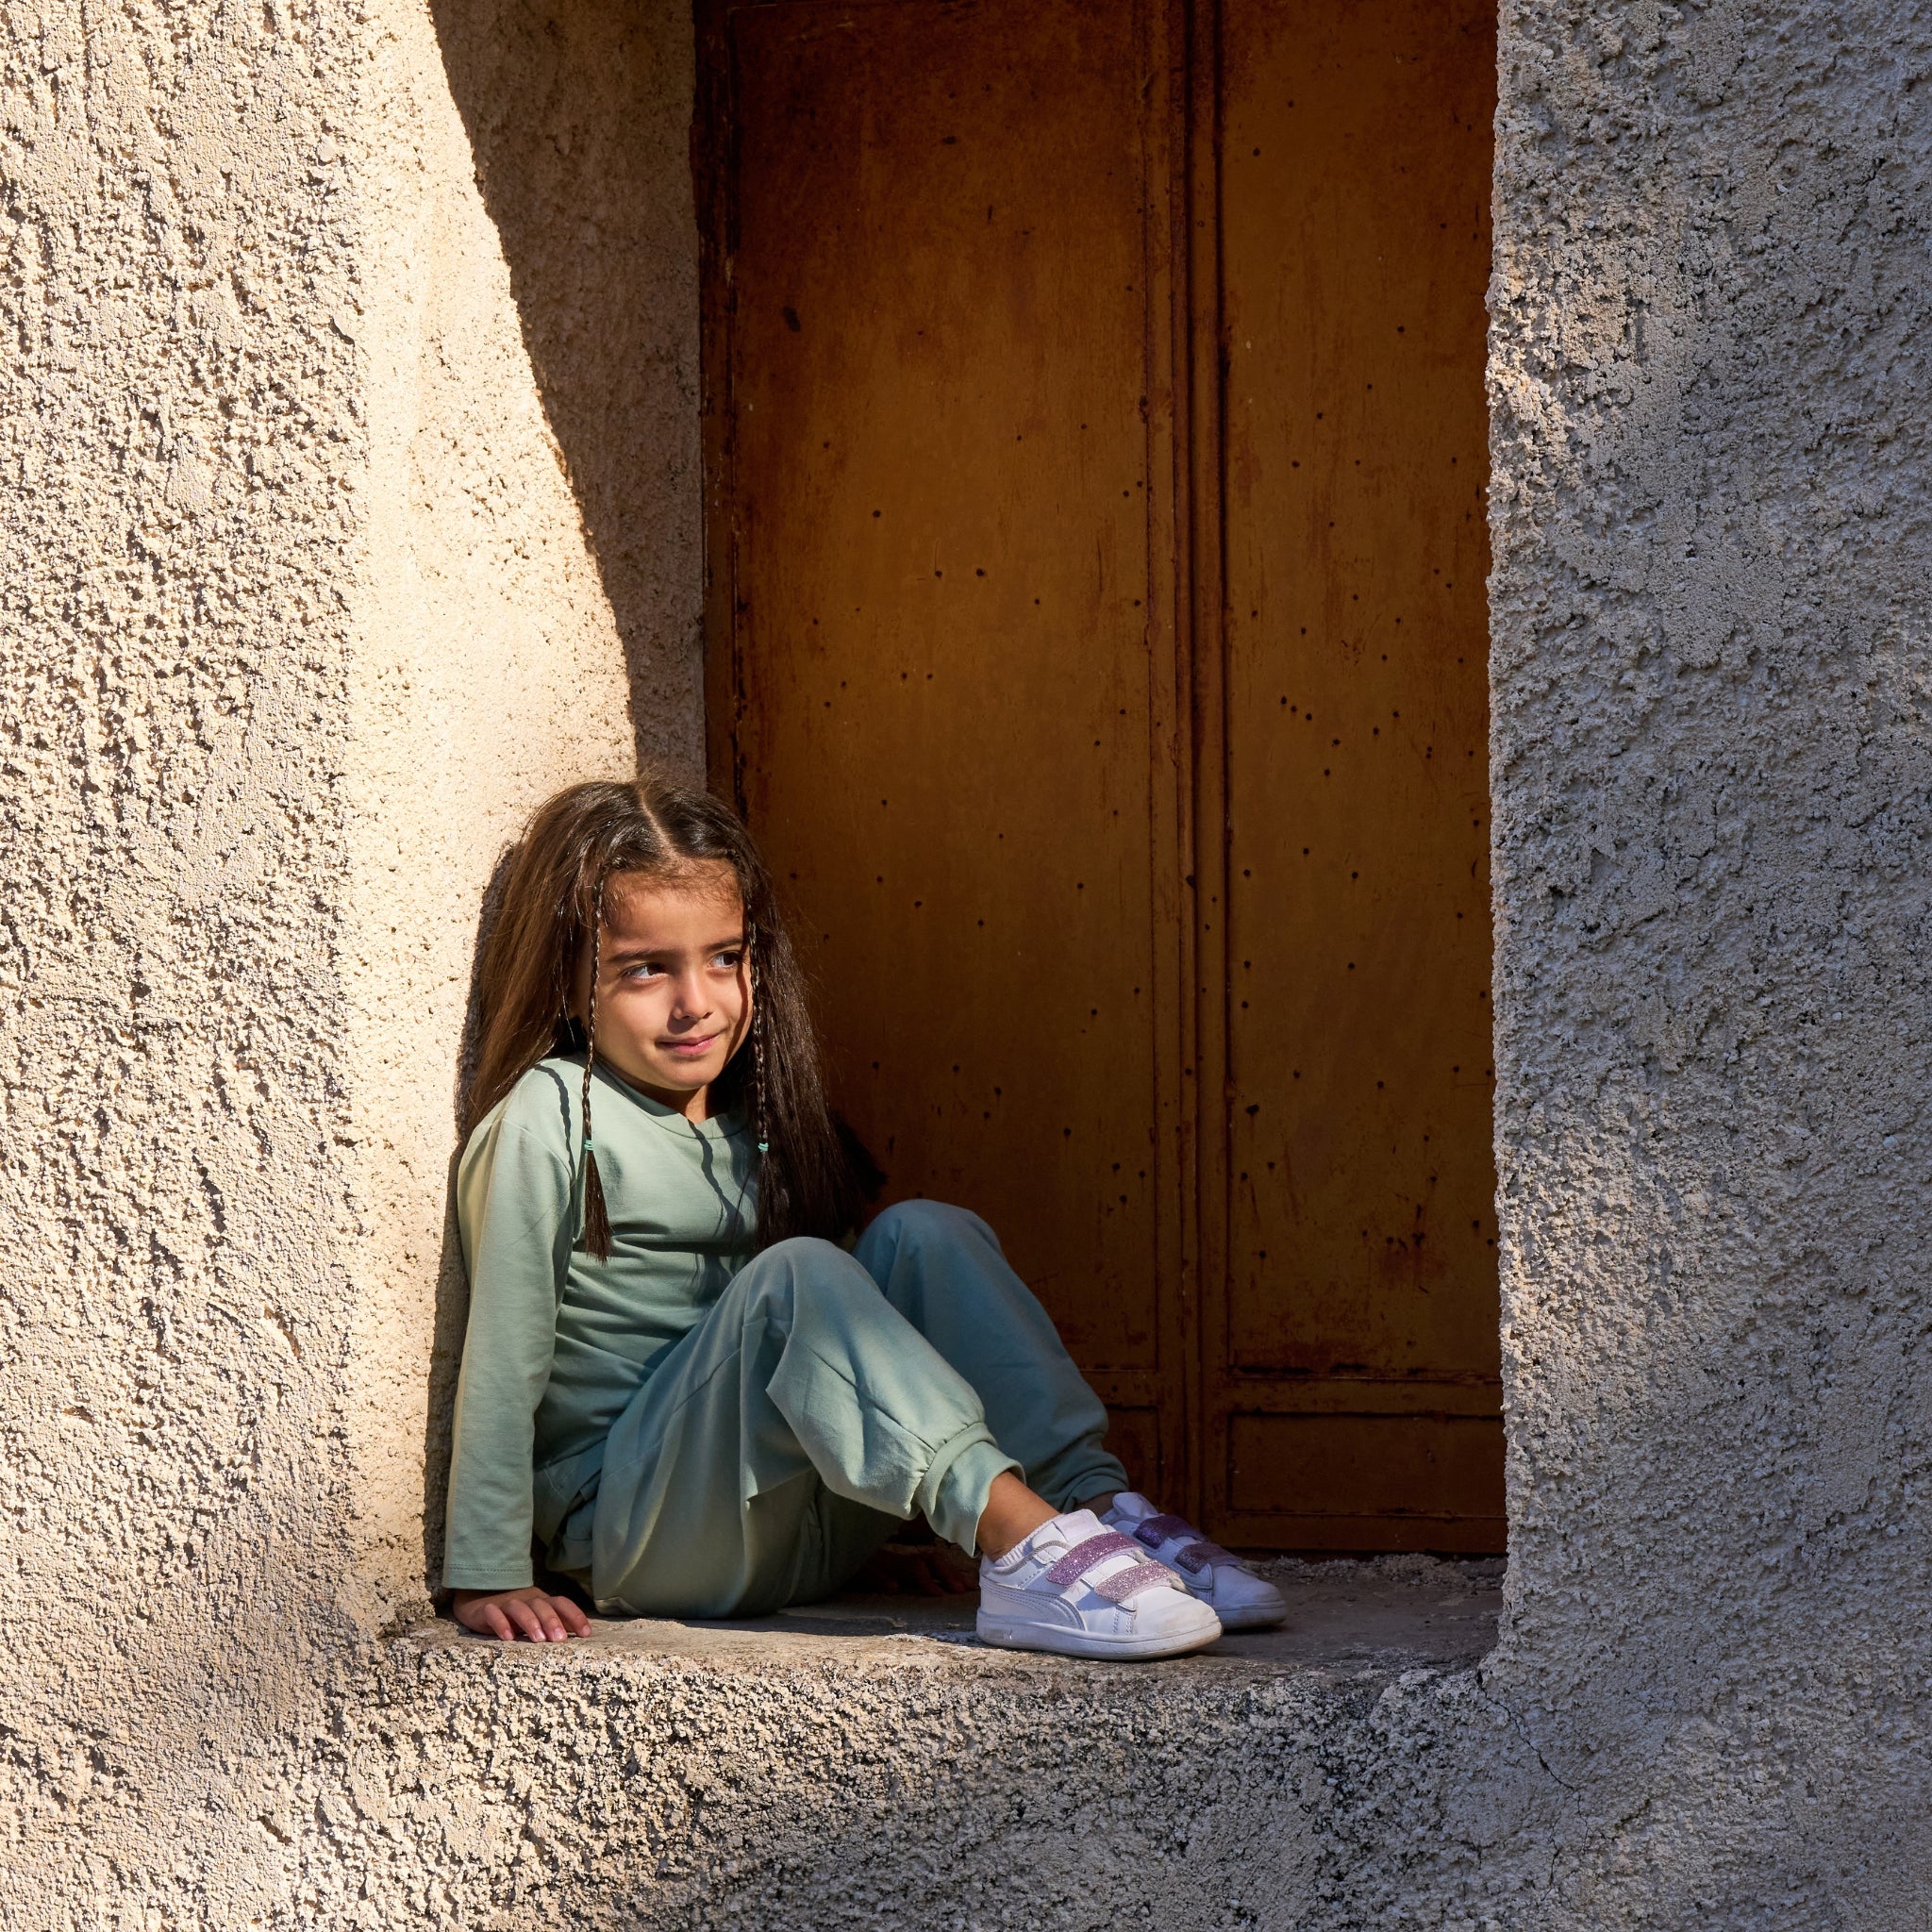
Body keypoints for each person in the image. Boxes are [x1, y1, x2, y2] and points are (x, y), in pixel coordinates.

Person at [443, 777, 1286, 1658]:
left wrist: (887, 1532)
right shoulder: (548, 1118)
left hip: (782, 1527)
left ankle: (1092, 1510)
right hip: (643, 1532)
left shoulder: (759, 1118)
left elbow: (854, 1364)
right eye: (646, 969)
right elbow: (504, 1357)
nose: (696, 1001)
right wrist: (488, 1569)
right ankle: (1023, 1541)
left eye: (724, 958)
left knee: (926, 1234)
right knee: (798, 1276)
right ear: (570, 977)